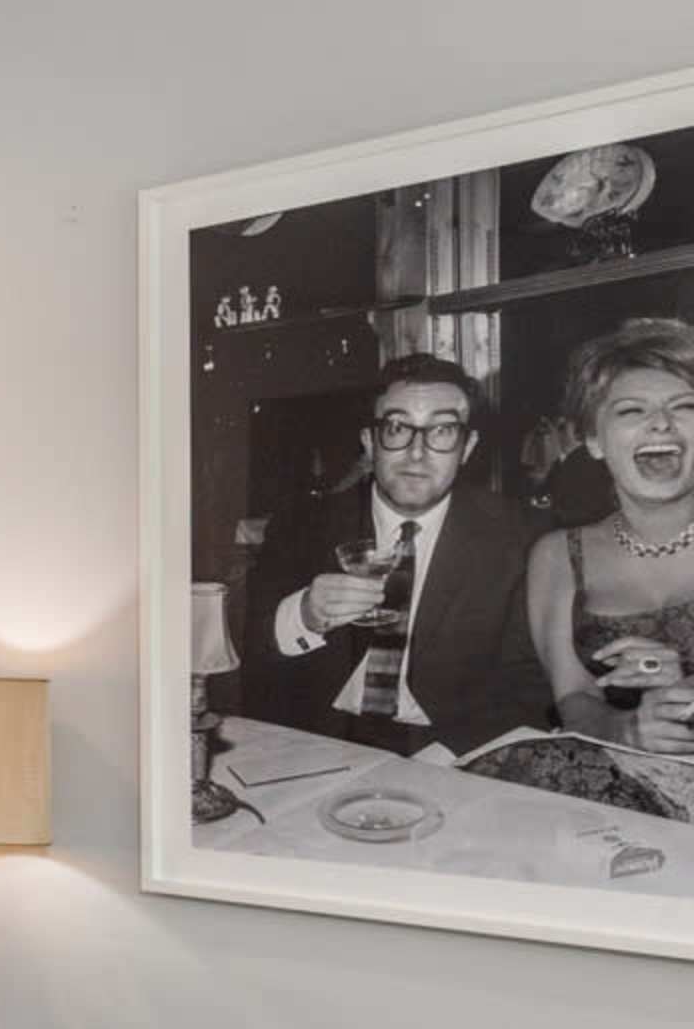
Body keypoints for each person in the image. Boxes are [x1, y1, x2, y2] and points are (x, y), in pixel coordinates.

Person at [235, 352, 550, 755]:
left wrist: (445, 759)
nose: (417, 453)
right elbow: (247, 653)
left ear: (467, 447)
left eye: (442, 431)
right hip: (323, 744)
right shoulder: (302, 525)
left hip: (451, 752)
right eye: (398, 428)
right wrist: (306, 615)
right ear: (369, 441)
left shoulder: (521, 537)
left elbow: (532, 686)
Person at [528, 317, 694, 756]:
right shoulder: (559, 555)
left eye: (684, 407)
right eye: (631, 410)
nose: (660, 424)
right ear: (594, 440)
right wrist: (626, 730)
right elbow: (574, 699)